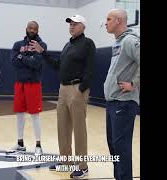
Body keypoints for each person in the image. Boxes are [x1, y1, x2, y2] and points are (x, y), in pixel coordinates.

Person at [29, 14, 96, 179]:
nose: (71, 26)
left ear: (83, 26)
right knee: (63, 128)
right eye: (70, 24)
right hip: (63, 90)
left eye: (75, 24)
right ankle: (66, 162)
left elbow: (91, 68)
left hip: (77, 89)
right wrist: (43, 52)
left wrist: (81, 89)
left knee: (79, 130)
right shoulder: (68, 45)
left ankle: (83, 166)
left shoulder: (87, 43)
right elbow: (58, 65)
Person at [104, 9, 140, 180]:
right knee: (115, 148)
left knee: (122, 148)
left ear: (118, 21)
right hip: (113, 103)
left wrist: (133, 83)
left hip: (124, 103)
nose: (106, 22)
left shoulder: (130, 41)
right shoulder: (118, 42)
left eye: (109, 19)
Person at [6, 21, 47, 156]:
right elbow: (13, 61)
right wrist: (27, 58)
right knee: (19, 114)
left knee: (35, 115)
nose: (32, 30)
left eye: (34, 29)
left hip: (33, 84)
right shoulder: (18, 45)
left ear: (38, 30)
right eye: (30, 28)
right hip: (19, 84)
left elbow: (36, 63)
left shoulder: (41, 45)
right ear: (26, 29)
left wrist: (21, 57)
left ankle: (38, 145)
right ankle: (20, 144)